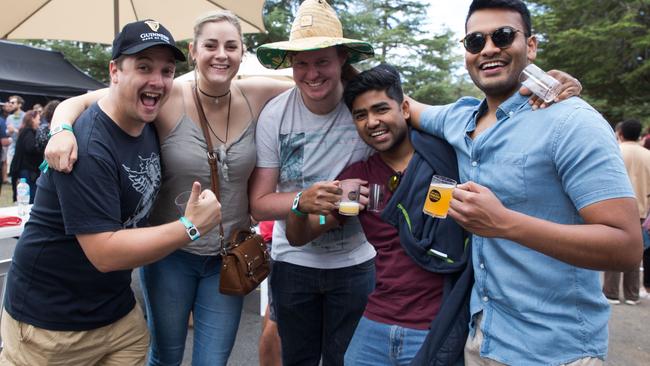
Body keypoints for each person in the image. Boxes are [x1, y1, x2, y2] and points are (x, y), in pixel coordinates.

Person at [44, 10, 292, 366]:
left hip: (228, 256)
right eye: (210, 45)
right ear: (193, 51)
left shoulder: (256, 92)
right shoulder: (166, 92)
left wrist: (402, 104)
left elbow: (314, 80)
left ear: (241, 53)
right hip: (168, 255)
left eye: (231, 46)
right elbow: (82, 101)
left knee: (213, 362)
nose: (220, 54)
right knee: (166, 357)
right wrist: (61, 130)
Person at [405, 0, 642, 364]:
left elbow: (626, 247)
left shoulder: (571, 122)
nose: (488, 49)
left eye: (502, 36)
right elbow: (398, 104)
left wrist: (504, 224)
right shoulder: (459, 118)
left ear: (530, 46)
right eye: (474, 42)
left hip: (557, 351)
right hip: (482, 340)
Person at [0, 19, 221, 366]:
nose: (158, 81)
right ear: (114, 71)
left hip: (116, 315)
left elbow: (79, 100)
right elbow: (104, 253)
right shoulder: (88, 148)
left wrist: (61, 118)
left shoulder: (144, 115)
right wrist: (190, 226)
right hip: (52, 325)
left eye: (166, 70)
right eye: (144, 67)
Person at [284, 63, 470, 365]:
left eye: (381, 109)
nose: (372, 122)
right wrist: (299, 206)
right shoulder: (357, 180)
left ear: (405, 108)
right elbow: (299, 236)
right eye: (361, 115)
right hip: (376, 323)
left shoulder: (446, 159)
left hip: (437, 323)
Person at [249, 1, 378, 364]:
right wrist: (301, 200)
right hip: (293, 263)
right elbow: (258, 202)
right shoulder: (275, 115)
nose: (312, 73)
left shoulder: (364, 109)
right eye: (302, 63)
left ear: (341, 58)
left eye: (322, 61)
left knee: (348, 361)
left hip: (355, 263)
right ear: (290, 64)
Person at [603, 119, 650, 305]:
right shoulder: (647, 155)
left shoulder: (614, 151)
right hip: (640, 210)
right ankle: (631, 294)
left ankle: (611, 292)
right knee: (635, 250)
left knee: (611, 250)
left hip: (613, 207)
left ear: (620, 133)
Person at [8, 110, 42, 202]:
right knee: (30, 197)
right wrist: (41, 147)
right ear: (32, 119)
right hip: (27, 170)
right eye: (38, 119)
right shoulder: (28, 132)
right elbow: (31, 148)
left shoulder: (25, 132)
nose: (40, 121)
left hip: (25, 169)